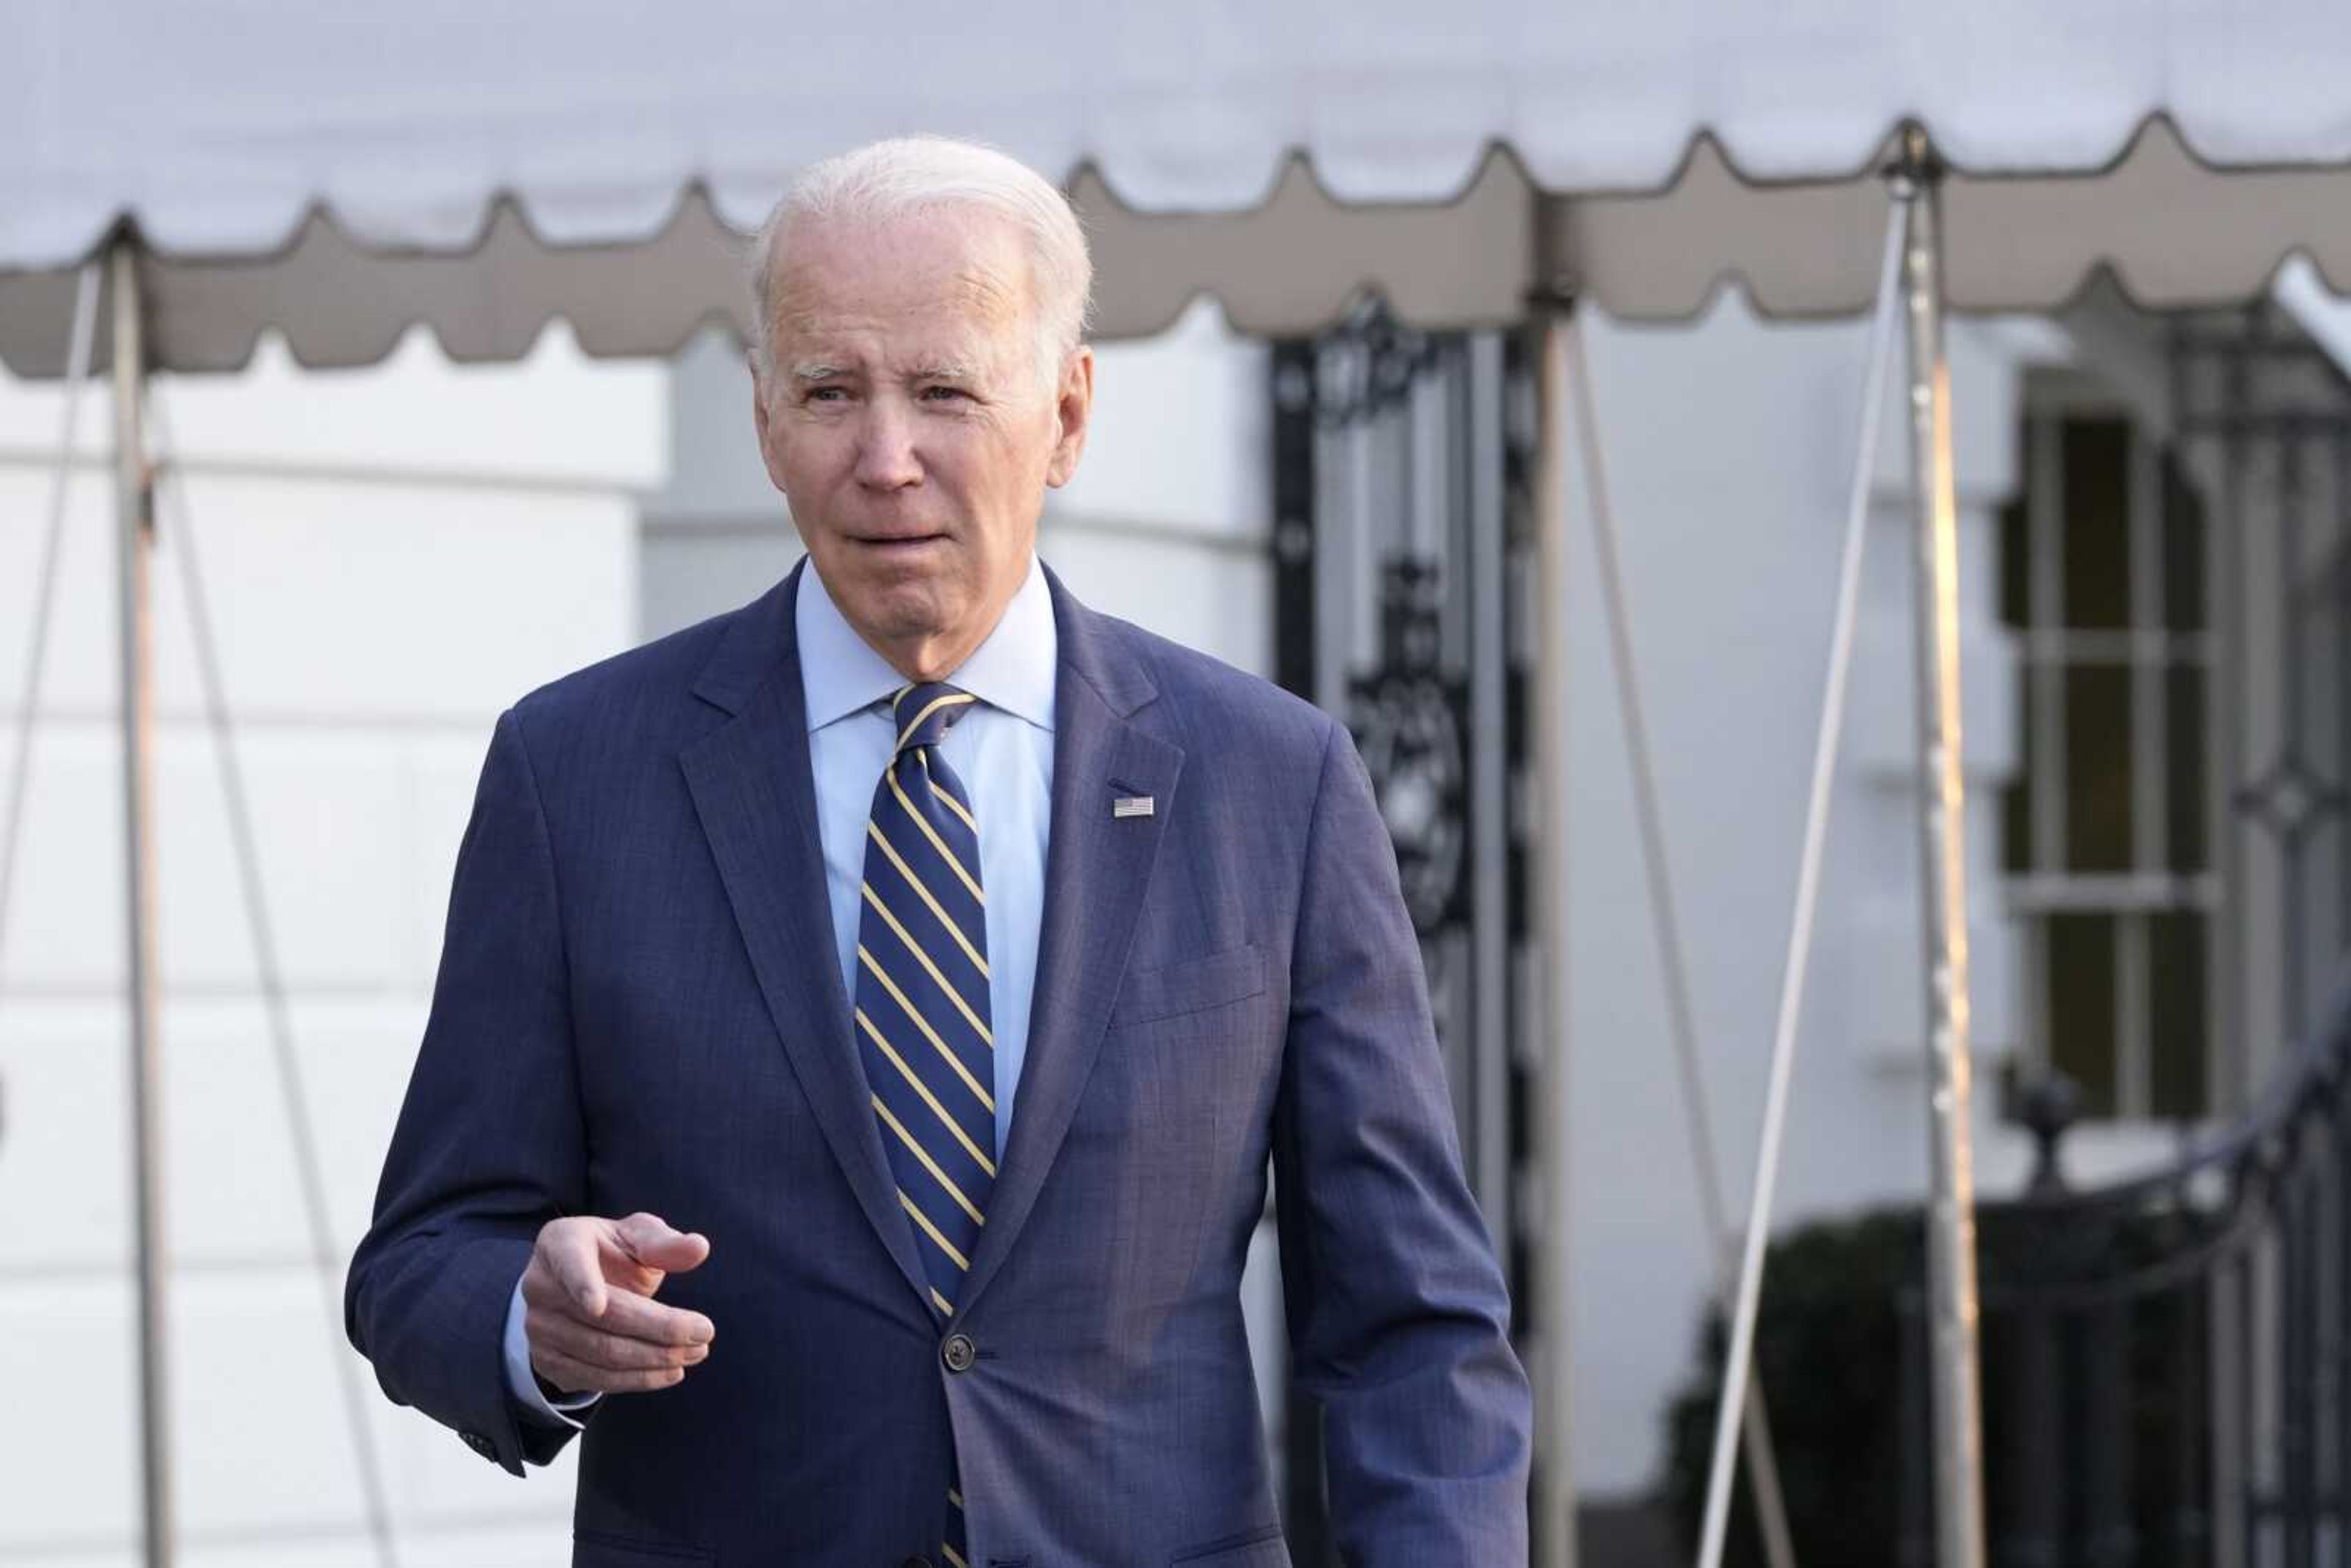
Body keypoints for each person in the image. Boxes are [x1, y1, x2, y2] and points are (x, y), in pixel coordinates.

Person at [345, 135, 1529, 1568]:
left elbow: (1414, 1327)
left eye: (947, 391)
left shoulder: (1270, 785)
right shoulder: (575, 775)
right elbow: (421, 1259)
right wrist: (531, 1324)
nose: (886, 456)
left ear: (1070, 413)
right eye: (832, 392)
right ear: (766, 421)